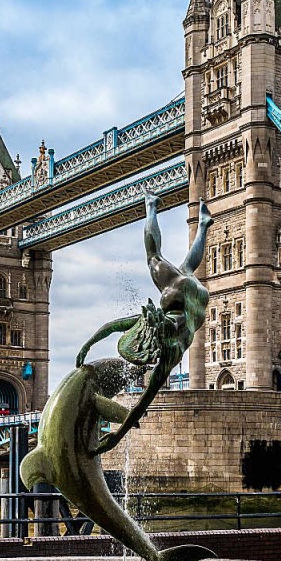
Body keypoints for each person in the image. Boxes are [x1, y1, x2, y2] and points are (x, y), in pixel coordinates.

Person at [75, 192, 213, 454]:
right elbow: (114, 326)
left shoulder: (172, 351)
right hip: (180, 294)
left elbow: (142, 403)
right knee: (155, 257)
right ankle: (152, 205)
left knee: (186, 267)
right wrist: (87, 345)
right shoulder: (159, 327)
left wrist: (117, 436)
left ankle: (203, 223)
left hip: (198, 300)